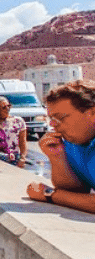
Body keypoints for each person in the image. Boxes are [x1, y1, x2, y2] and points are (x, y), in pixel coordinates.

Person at [26, 80, 95, 213]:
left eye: (61, 118)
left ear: (92, 113)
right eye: (51, 118)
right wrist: (57, 157)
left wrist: (51, 195)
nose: (53, 125)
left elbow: (66, 195)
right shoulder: (72, 143)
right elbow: (77, 191)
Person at [0, 96, 27, 168]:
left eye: (9, 106)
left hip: (14, 158)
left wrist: (22, 158)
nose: (7, 109)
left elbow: (23, 142)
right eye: (4, 107)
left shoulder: (18, 121)